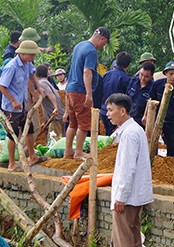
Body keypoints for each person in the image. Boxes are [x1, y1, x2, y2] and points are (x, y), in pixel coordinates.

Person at [106, 94, 153, 247]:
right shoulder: (135, 130)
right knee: (133, 236)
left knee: (124, 239)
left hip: (127, 196)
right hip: (136, 195)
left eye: (111, 110)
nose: (108, 114)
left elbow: (127, 168)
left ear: (122, 111)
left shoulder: (129, 134)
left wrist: (121, 196)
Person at [0, 40, 46, 172]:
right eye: (32, 55)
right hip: (11, 107)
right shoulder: (11, 66)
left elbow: (32, 74)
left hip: (23, 102)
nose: (33, 58)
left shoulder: (27, 63)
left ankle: (32, 155)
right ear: (24, 54)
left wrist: (37, 88)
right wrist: (13, 100)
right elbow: (1, 86)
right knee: (13, 134)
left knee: (29, 128)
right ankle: (12, 163)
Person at [64, 27, 110, 160]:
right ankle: (78, 152)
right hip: (80, 90)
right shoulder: (91, 51)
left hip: (70, 89)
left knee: (73, 123)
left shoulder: (79, 46)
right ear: (102, 39)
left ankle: (68, 151)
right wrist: (89, 94)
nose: (102, 46)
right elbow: (87, 72)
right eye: (104, 43)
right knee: (84, 123)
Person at [148, 61, 174, 157]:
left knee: (172, 147)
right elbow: (151, 102)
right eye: (171, 74)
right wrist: (147, 116)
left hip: (173, 121)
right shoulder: (156, 85)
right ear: (165, 74)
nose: (173, 77)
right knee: (153, 144)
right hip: (157, 119)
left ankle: (171, 164)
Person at [101, 51, 132, 135]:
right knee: (115, 136)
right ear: (128, 65)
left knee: (109, 134)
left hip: (104, 111)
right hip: (117, 113)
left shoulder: (106, 75)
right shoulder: (127, 79)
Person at [36, 64, 64, 138]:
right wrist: (44, 121)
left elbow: (50, 94)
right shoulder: (46, 82)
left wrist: (55, 108)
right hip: (56, 117)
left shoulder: (42, 83)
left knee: (55, 141)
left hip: (55, 118)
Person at [127, 62, 155, 129]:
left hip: (142, 122)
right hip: (128, 118)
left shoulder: (154, 87)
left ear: (151, 76)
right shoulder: (133, 81)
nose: (142, 78)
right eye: (141, 74)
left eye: (146, 76)